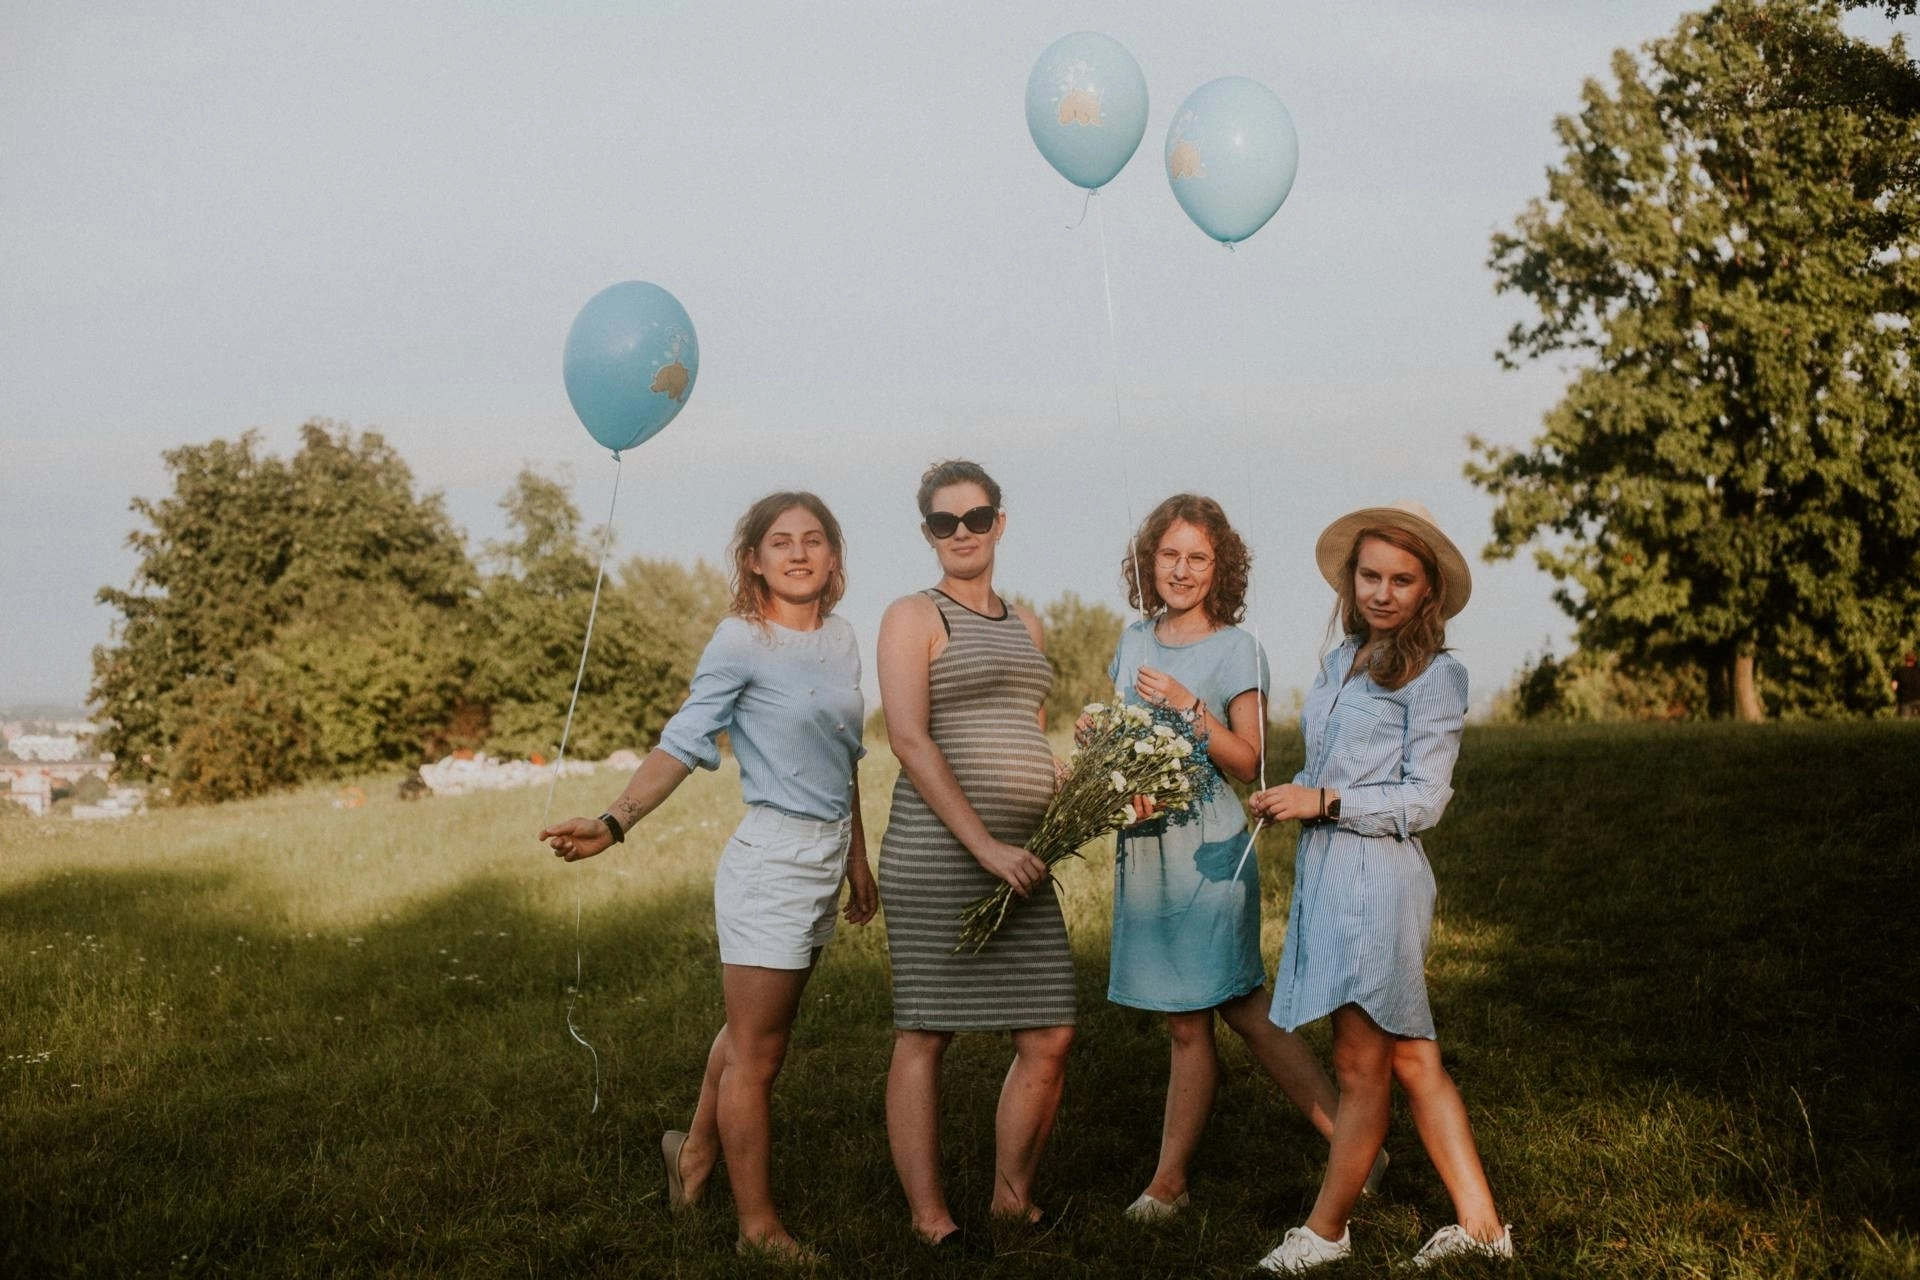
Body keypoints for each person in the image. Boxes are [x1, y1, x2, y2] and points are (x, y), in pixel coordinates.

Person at [539, 491, 875, 1263]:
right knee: (760, 1054)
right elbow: (683, 743)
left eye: (814, 539)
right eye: (780, 541)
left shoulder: (842, 639)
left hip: (825, 858)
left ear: (833, 556)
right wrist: (614, 822)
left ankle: (691, 1153)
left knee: (752, 1030)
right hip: (771, 863)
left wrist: (858, 857)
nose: (798, 553)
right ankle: (757, 1231)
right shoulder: (740, 641)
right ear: (753, 560)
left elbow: (845, 758)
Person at [1248, 501, 1513, 1273]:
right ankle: (1484, 1228)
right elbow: (1333, 765)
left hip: (1380, 883)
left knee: (1361, 1065)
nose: (1383, 592)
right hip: (1330, 877)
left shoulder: (1437, 674)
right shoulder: (1341, 661)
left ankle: (1325, 1232)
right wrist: (1291, 793)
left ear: (1428, 591)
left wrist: (1324, 802)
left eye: (1402, 580)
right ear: (1351, 579)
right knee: (1411, 1058)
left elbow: (1424, 800)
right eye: (1371, 576)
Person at [1096, 495, 1360, 1221]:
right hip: (1146, 851)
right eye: (1169, 555)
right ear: (1149, 560)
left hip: (1210, 853)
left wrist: (1190, 707)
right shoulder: (1132, 640)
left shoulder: (1237, 649)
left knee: (1202, 1015)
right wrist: (1096, 755)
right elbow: (1121, 742)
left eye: (1198, 558)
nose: (1181, 571)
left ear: (1222, 568)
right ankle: (1358, 1147)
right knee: (1238, 1009)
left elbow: (1249, 763)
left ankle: (1169, 1184)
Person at [876, 459, 1075, 1253]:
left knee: (1050, 1031)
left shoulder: (1027, 625)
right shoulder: (912, 616)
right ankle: (930, 1220)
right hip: (939, 854)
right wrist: (986, 845)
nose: (962, 533)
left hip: (1022, 858)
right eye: (944, 522)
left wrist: (1070, 780)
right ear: (927, 532)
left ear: (1000, 522)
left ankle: (1011, 1200)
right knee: (926, 1031)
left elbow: (1023, 728)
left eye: (976, 518)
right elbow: (909, 738)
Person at [1894, 651, 1920, 719]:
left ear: (1905, 659)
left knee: (1906, 723)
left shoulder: (1899, 671)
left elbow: (1894, 686)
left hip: (1905, 700)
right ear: (1914, 659)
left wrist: (1898, 694)